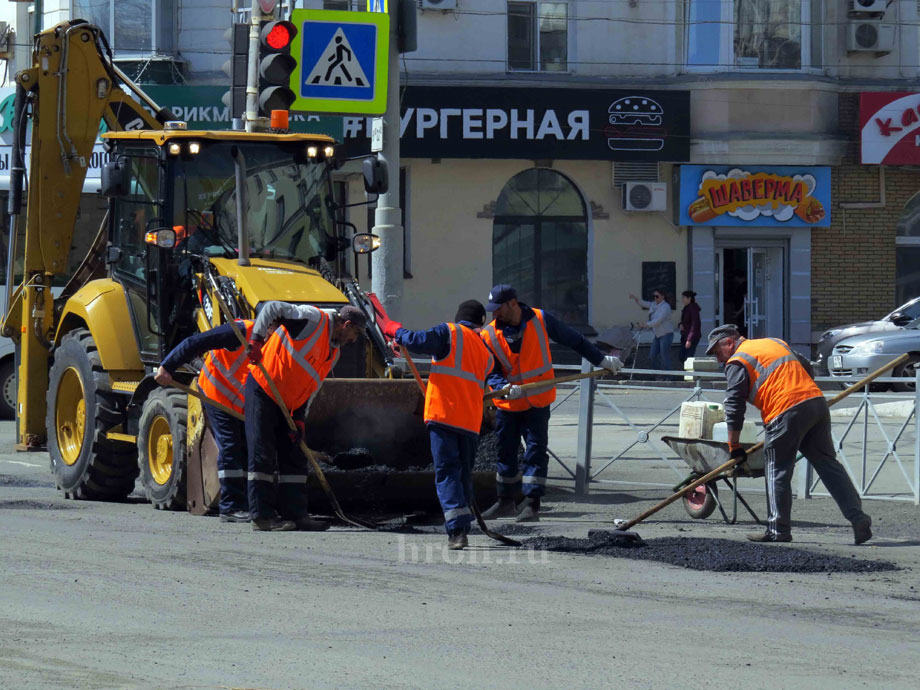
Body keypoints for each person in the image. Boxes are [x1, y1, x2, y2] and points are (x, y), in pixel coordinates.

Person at [705, 324, 872, 544]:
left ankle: (778, 530)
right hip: (815, 403)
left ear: (729, 342)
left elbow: (735, 405)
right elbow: (804, 364)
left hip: (784, 411)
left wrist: (734, 445)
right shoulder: (774, 342)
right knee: (827, 464)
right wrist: (803, 391)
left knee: (776, 469)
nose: (719, 360)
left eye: (718, 352)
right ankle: (858, 519)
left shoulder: (737, 361)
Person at [479, 285, 623, 522]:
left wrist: (601, 359)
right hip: (509, 404)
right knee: (505, 452)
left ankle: (531, 504)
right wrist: (503, 388)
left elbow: (575, 340)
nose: (496, 315)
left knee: (535, 451)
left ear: (513, 303)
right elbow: (490, 370)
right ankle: (505, 502)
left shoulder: (540, 319)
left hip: (537, 400)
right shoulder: (489, 335)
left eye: (499, 309)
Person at [381, 300, 494, 551]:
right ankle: (462, 525)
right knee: (462, 474)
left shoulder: (449, 333)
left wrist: (394, 329)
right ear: (481, 323)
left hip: (444, 417)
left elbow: (417, 340)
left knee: (446, 472)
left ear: (459, 317)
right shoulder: (485, 352)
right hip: (470, 423)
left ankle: (456, 531)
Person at [244, 302, 366, 532]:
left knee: (295, 455)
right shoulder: (311, 320)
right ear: (347, 324)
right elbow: (271, 308)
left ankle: (296, 515)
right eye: (355, 334)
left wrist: (300, 419)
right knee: (262, 453)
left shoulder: (334, 353)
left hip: (290, 405)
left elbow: (311, 387)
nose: (354, 340)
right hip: (264, 389)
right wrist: (256, 341)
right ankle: (262, 517)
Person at [155, 319, 255, 523]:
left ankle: (247, 502)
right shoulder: (241, 331)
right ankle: (231, 507)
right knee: (231, 446)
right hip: (216, 391)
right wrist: (168, 366)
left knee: (246, 447)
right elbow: (196, 342)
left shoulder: (275, 340)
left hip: (240, 400)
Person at [629, 289, 674, 373]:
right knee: (652, 356)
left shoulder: (666, 307)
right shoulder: (654, 304)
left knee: (664, 357)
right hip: (657, 335)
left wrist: (646, 324)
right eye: (654, 296)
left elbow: (658, 320)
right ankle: (658, 374)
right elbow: (645, 303)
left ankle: (668, 377)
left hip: (666, 335)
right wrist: (636, 299)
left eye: (657, 296)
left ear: (662, 296)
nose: (655, 298)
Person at [678, 290, 702, 365]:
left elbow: (694, 324)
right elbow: (685, 321)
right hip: (685, 336)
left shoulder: (693, 308)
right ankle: (688, 374)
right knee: (682, 356)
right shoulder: (686, 308)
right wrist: (680, 324)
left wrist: (689, 339)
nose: (682, 300)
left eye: (684, 298)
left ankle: (690, 375)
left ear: (689, 298)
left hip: (692, 337)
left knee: (688, 358)